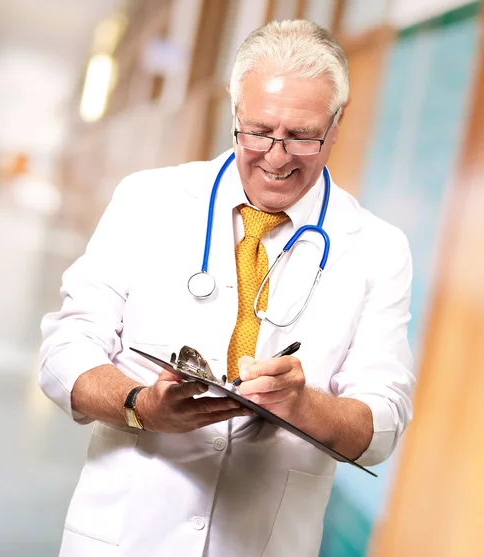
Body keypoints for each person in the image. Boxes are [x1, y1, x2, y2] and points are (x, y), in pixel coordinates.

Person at [39, 19, 414, 557]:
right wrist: (140, 405)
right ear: (233, 111)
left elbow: (382, 422)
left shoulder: (378, 249)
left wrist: (303, 406)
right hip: (125, 538)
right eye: (259, 131)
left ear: (337, 123)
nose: (278, 156)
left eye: (303, 136)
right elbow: (63, 352)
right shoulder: (148, 200)